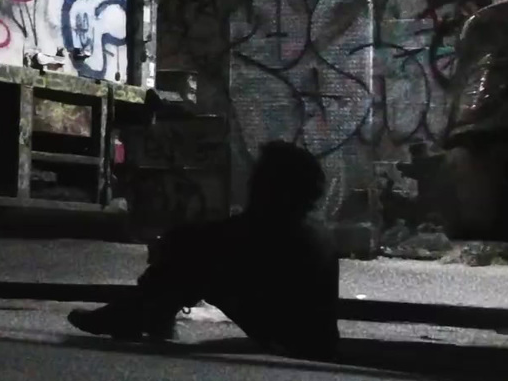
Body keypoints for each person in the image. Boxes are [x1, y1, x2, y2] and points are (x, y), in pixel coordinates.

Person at [67, 140, 341, 360]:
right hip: (309, 339)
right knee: (200, 251)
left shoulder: (276, 227)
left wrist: (173, 242)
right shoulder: (307, 229)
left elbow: (215, 237)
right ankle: (146, 312)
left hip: (288, 340)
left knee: (196, 253)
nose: (251, 184)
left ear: (274, 187)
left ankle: (138, 314)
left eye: (258, 178)